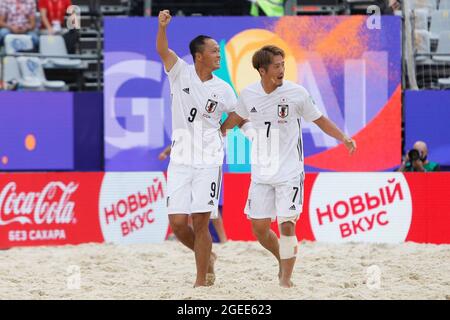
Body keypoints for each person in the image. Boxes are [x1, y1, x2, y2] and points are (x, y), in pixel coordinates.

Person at [220, 45, 356, 288]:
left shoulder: (297, 93)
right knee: (259, 229)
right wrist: (218, 131)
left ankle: (285, 280)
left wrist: (343, 137)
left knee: (286, 225)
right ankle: (282, 259)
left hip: (290, 171)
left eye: (283, 64)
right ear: (262, 70)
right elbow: (236, 119)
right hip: (261, 172)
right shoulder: (249, 94)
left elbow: (320, 119)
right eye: (276, 66)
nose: (282, 70)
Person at [156, 10, 245, 287]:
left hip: (209, 160)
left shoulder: (224, 89)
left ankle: (201, 279)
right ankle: (209, 257)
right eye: (214, 51)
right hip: (181, 160)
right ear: (198, 56)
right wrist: (162, 27)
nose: (219, 54)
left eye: (219, 51)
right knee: (178, 223)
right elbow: (161, 49)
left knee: (201, 220)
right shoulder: (179, 72)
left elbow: (239, 113)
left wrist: (223, 128)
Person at [159, 146, 228, 243]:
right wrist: (165, 153)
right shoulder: (187, 135)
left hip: (205, 169)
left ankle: (223, 239)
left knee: (211, 205)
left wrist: (165, 153)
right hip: (190, 170)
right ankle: (197, 236)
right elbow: (179, 140)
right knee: (192, 205)